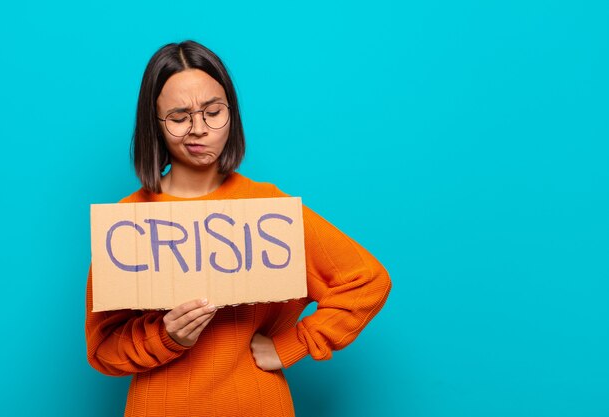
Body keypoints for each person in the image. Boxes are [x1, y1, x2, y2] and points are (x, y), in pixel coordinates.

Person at [85, 40, 391, 417]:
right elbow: (103, 348)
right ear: (156, 125)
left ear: (231, 111)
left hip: (258, 405)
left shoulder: (267, 209)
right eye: (180, 118)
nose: (199, 130)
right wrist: (167, 336)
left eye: (213, 112)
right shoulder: (129, 222)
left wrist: (294, 342)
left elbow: (368, 280)